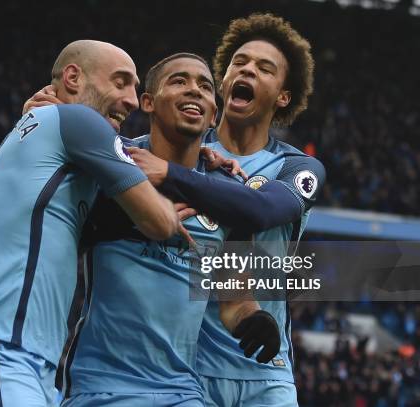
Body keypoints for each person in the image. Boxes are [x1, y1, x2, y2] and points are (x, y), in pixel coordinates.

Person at [0, 40, 179, 407]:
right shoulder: (75, 121)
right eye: (120, 82)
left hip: (25, 363)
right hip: (1, 353)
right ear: (72, 77)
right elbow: (159, 222)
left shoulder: (42, 137)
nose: (131, 100)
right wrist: (185, 191)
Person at [59, 53, 280, 407]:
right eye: (179, 81)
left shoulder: (226, 195)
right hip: (98, 385)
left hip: (180, 390)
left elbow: (235, 301)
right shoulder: (111, 163)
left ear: (213, 113)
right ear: (147, 102)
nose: (194, 90)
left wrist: (254, 320)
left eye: (205, 87)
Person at [129, 14, 324, 407]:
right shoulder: (174, 148)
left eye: (264, 68)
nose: (247, 69)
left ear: (283, 96)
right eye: (239, 62)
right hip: (186, 371)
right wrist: (53, 110)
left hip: (266, 368)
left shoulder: (297, 167)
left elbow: (261, 209)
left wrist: (171, 175)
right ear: (224, 80)